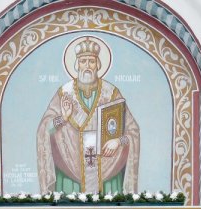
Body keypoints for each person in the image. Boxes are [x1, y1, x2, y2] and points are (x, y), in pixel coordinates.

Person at [36, 36, 140, 195]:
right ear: (77, 64)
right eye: (83, 61)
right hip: (70, 169)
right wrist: (63, 119)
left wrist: (118, 141)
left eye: (91, 61)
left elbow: (133, 131)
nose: (87, 66)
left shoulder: (111, 93)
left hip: (107, 170)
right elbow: (45, 128)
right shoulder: (64, 93)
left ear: (98, 64)